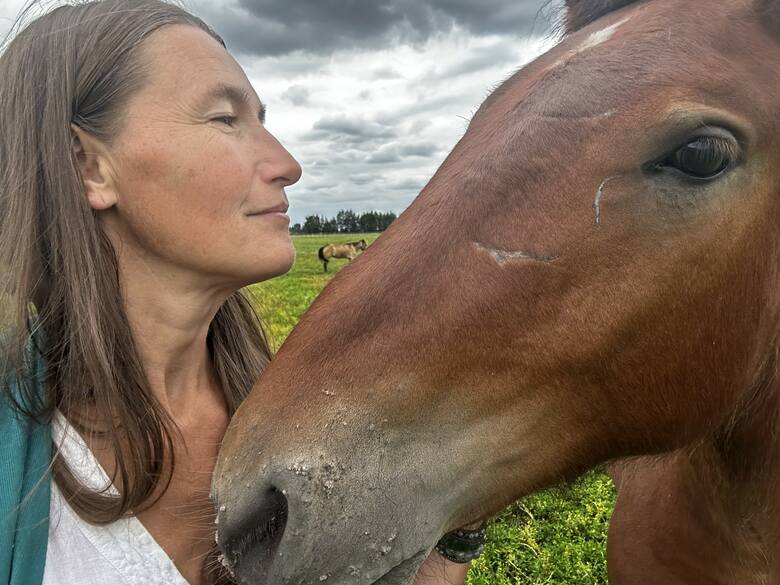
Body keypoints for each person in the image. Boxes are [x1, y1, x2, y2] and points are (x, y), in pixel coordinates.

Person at [0, 1, 473, 584]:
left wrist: (457, 514)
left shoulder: (295, 404)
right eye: (225, 119)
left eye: (263, 119)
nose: (287, 164)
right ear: (88, 167)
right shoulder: (17, 459)